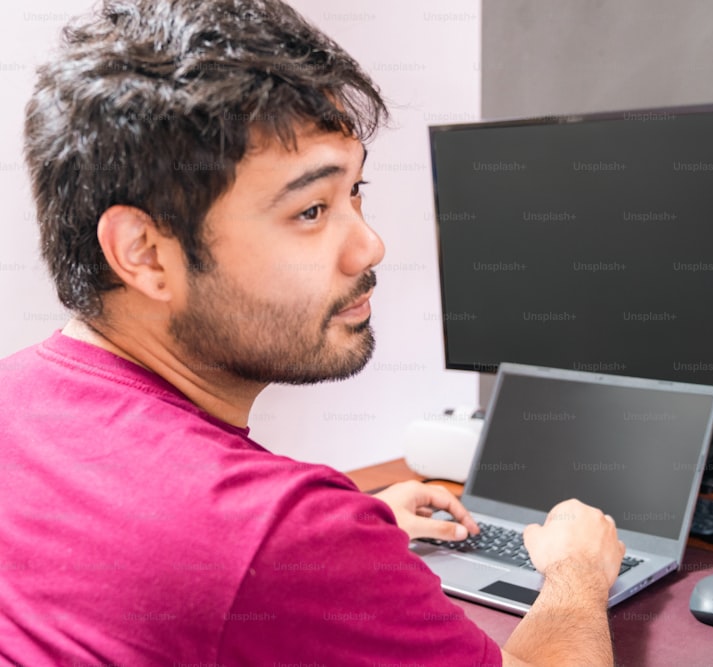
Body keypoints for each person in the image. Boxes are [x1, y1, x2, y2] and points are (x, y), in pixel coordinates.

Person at [0, 1, 625, 665]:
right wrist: (576, 573)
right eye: (311, 209)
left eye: (356, 191)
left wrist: (357, 520)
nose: (371, 247)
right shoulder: (280, 535)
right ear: (146, 252)